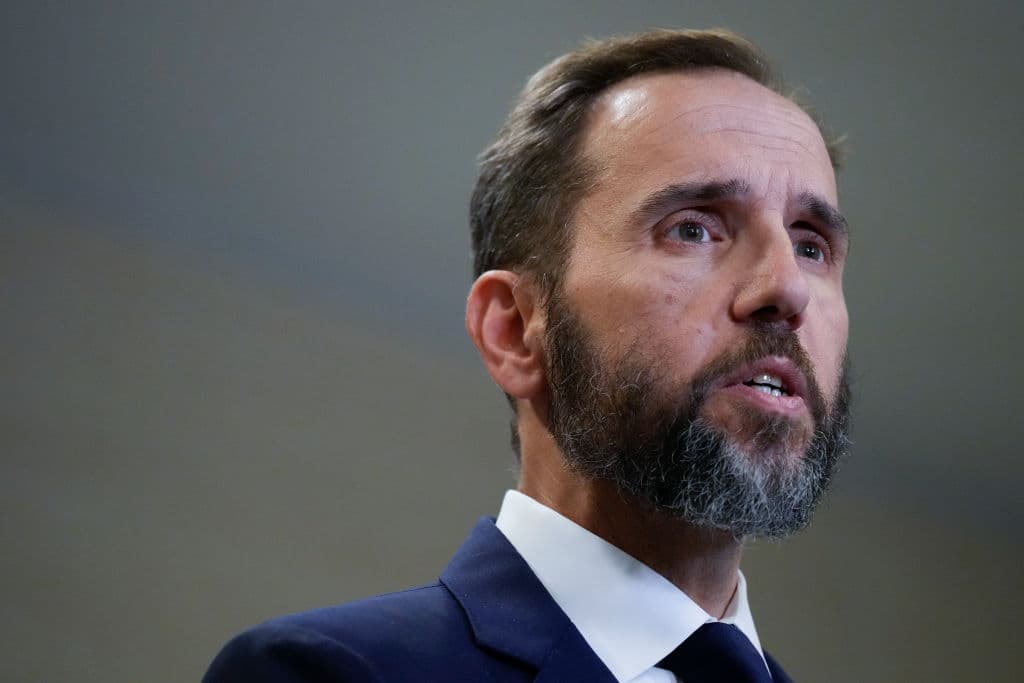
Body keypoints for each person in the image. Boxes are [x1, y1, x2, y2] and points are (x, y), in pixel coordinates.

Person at [204, 27, 851, 683]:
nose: (787, 288)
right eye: (692, 228)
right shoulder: (324, 673)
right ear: (515, 330)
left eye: (811, 244)